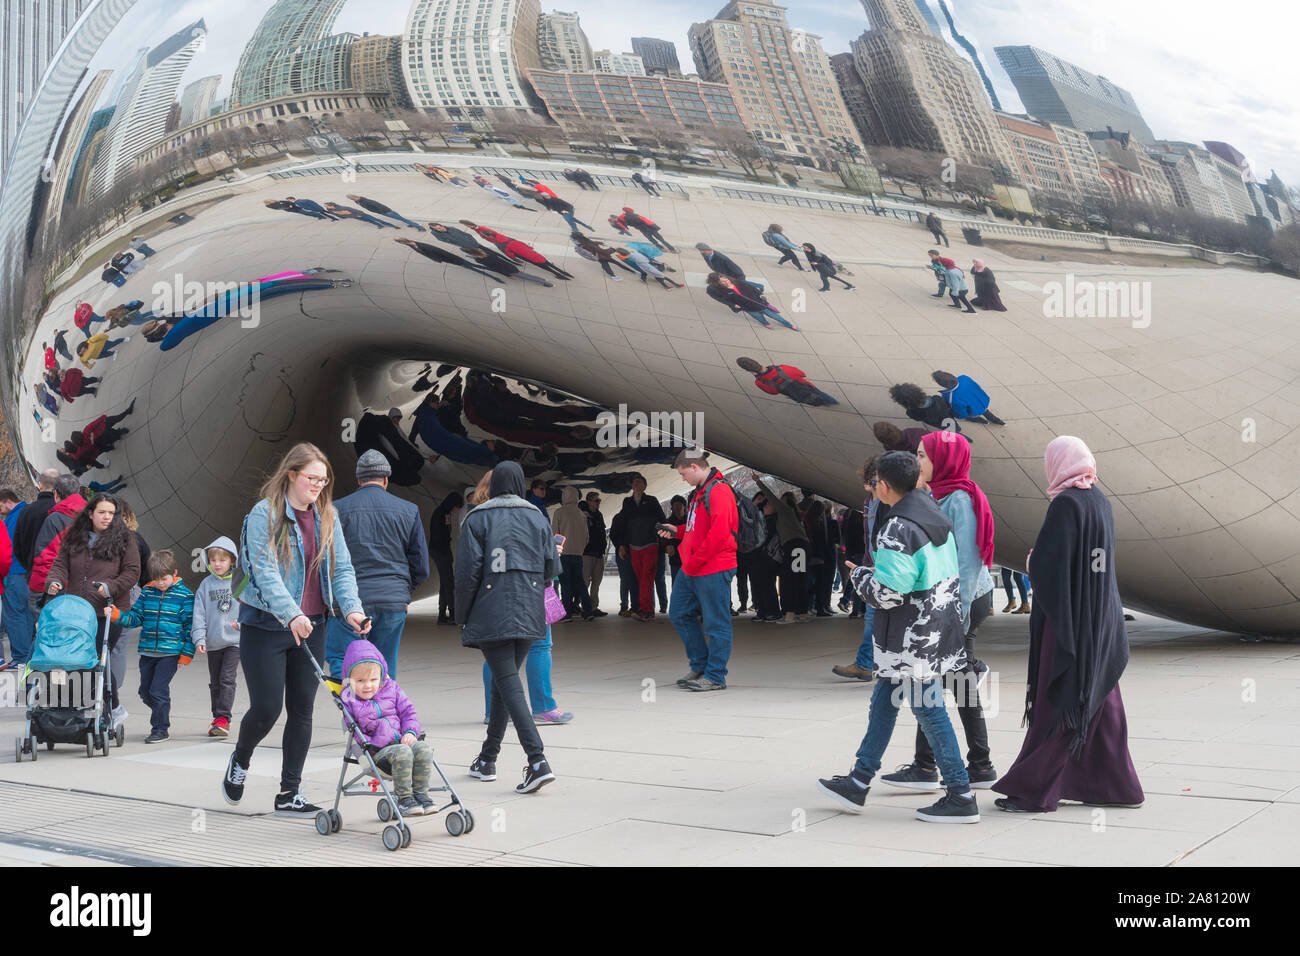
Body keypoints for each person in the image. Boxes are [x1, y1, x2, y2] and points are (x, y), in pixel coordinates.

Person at [815, 452, 979, 823]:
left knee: (929, 711)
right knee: (885, 700)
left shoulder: (897, 527)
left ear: (883, 486)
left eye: (872, 485)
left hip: (908, 637)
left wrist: (859, 577)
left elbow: (888, 593)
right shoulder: (935, 514)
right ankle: (858, 780)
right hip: (935, 629)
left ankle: (960, 794)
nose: (871, 491)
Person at [993, 437, 1144, 813]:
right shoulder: (1100, 501)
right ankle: (1116, 785)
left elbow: (1050, 565)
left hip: (1070, 627)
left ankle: (1034, 791)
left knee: (1061, 702)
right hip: (1101, 622)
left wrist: (1032, 561)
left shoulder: (1065, 504)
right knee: (1100, 702)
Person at [220, 443, 370, 817]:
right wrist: (290, 614)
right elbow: (263, 571)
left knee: (303, 710)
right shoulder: (264, 514)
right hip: (267, 626)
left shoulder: (327, 516)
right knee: (267, 709)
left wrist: (351, 608)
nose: (318, 486)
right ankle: (241, 757)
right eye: (311, 479)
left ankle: (289, 792)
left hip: (313, 624)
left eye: (323, 480)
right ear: (291, 475)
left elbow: (342, 569)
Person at [880, 432, 998, 790]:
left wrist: (955, 616)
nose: (919, 463)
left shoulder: (959, 499)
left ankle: (956, 765)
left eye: (924, 455)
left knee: (944, 678)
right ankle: (963, 764)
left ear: (944, 459)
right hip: (951, 600)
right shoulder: (940, 494)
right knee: (944, 678)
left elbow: (967, 560)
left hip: (961, 600)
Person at [458, 461, 558, 793]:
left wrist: (463, 615)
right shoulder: (537, 516)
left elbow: (468, 572)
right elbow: (550, 568)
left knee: (509, 687)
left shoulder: (477, 517)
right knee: (504, 685)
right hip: (530, 611)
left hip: (492, 608)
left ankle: (537, 759)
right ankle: (487, 759)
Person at [325, 451, 429, 680]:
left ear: (358, 480)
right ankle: (379, 713)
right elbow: (420, 564)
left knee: (342, 661)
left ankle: (351, 711)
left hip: (348, 601)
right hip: (392, 600)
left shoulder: (334, 510)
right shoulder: (409, 510)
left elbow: (324, 558)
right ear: (386, 480)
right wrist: (403, 589)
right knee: (383, 664)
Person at [42, 491, 138, 720]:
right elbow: (60, 564)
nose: (107, 517)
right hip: (76, 612)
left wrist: (111, 587)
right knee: (75, 659)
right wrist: (54, 581)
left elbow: (132, 572)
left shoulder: (125, 539)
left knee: (96, 659)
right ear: (90, 513)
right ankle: (79, 707)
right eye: (102, 512)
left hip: (108, 611)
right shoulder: (74, 536)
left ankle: (112, 708)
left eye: (112, 513)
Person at [662, 451, 738, 691]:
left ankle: (715, 675)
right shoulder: (699, 493)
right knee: (678, 612)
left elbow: (720, 533)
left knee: (716, 622)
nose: (683, 478)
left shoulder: (719, 491)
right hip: (696, 566)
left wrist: (694, 562)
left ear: (694, 467)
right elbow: (699, 528)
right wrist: (678, 530)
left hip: (711, 567)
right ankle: (701, 666)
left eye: (683, 473)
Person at [341, 639, 437, 816]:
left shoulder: (392, 689)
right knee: (402, 752)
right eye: (360, 680)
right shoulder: (350, 699)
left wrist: (410, 732)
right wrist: (370, 746)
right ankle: (404, 799)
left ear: (383, 676)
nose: (368, 685)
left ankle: (421, 795)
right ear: (349, 680)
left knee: (423, 748)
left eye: (373, 679)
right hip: (379, 752)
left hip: (402, 741)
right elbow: (353, 729)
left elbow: (409, 713)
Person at [110, 550, 194, 744]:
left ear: (174, 573)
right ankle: (160, 711)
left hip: (170, 652)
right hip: (148, 650)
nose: (160, 583)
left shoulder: (185, 595)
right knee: (145, 692)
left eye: (164, 579)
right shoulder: (148, 591)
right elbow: (135, 617)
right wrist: (117, 616)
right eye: (156, 579)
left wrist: (186, 654)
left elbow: (190, 627)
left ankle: (160, 728)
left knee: (158, 690)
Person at [834, 459, 885, 680]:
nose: (868, 482)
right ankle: (866, 664)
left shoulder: (888, 502)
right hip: (874, 568)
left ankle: (874, 665)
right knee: (872, 621)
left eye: (872, 477)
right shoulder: (868, 502)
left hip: (888, 570)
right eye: (867, 477)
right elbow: (869, 536)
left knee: (880, 622)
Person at [192, 536, 241, 737]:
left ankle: (223, 718)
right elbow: (199, 612)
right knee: (215, 682)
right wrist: (199, 638)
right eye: (213, 560)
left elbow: (251, 605)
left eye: (222, 560)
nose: (217, 564)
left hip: (234, 641)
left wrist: (244, 624)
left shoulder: (239, 581)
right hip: (213, 642)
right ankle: (217, 719)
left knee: (227, 678)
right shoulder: (206, 584)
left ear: (231, 561)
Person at [751, 475, 810, 623]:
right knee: (800, 579)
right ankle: (802, 612)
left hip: (793, 546)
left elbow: (770, 496)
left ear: (783, 501)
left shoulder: (784, 510)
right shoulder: (794, 515)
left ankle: (789, 613)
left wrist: (759, 482)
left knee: (789, 579)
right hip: (802, 547)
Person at [618, 474, 666, 621]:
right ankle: (644, 608)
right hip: (633, 546)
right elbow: (623, 525)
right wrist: (622, 545)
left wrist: (665, 544)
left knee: (647, 578)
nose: (637, 484)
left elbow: (662, 521)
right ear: (632, 486)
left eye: (640, 482)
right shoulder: (627, 502)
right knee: (640, 579)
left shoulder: (651, 501)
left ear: (645, 486)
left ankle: (646, 610)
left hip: (650, 544)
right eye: (634, 482)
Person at [551, 486, 593, 621]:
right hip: (578, 555)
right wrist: (579, 549)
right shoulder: (582, 514)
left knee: (565, 584)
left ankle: (567, 613)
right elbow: (587, 537)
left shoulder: (559, 512)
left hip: (563, 554)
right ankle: (588, 611)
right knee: (580, 583)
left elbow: (555, 534)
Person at [706, 274, 797, 331]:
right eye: (723, 282)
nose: (726, 282)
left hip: (760, 304)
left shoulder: (738, 282)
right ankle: (766, 323)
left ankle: (789, 325)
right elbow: (725, 300)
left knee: (776, 316)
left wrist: (760, 294)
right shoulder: (723, 291)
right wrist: (733, 305)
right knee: (758, 317)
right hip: (748, 308)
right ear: (719, 284)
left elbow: (753, 288)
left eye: (726, 280)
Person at [736, 357, 837, 406]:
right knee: (821, 394)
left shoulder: (760, 383)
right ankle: (833, 403)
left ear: (749, 371)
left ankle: (822, 404)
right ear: (756, 362)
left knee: (813, 400)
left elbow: (773, 393)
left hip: (795, 394)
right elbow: (802, 373)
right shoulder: (783, 368)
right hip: (806, 386)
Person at [395, 237, 503, 281]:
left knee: (475, 267)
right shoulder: (412, 245)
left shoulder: (422, 246)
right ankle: (496, 273)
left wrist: (456, 261)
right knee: (475, 267)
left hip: (453, 259)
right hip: (451, 260)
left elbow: (441, 252)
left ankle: (496, 276)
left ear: (403, 242)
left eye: (400, 242)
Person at [0, 490, 26, 670]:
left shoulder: (12, 519)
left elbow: (5, 552)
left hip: (13, 572)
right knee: (25, 615)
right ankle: (26, 654)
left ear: (7, 501)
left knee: (14, 615)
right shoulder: (27, 512)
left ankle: (20, 656)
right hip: (26, 572)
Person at [428, 492, 463, 626]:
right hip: (440, 551)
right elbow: (438, 536)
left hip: (443, 550)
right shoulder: (440, 514)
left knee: (445, 582)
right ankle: (452, 612)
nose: (456, 510)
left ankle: (442, 614)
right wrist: (445, 551)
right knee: (449, 582)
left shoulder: (445, 513)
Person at [932, 371, 1005, 426]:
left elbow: (961, 412)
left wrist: (963, 416)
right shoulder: (964, 378)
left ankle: (981, 420)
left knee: (973, 416)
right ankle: (998, 421)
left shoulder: (950, 396)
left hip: (973, 410)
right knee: (986, 412)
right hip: (982, 401)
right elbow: (977, 387)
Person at [889, 383, 962, 432]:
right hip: (947, 417)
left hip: (936, 423)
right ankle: (956, 430)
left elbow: (918, 418)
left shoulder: (911, 412)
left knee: (946, 428)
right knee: (952, 425)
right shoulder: (937, 398)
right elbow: (947, 407)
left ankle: (954, 431)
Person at [581, 491, 608, 616]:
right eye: (596, 500)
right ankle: (584, 606)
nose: (598, 503)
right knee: (585, 581)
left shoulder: (599, 515)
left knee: (597, 582)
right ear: (589, 502)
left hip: (598, 553)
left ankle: (593, 607)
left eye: (599, 500)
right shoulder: (583, 515)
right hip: (587, 553)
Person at [609, 508, 637, 616]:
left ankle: (625, 606)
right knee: (632, 580)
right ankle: (633, 606)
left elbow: (612, 535)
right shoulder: (631, 518)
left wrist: (619, 546)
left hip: (622, 553)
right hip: (631, 552)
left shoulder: (617, 518)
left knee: (625, 581)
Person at [572, 234, 638, 279]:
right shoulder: (587, 244)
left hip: (599, 256)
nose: (585, 235)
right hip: (602, 256)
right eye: (583, 234)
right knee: (610, 265)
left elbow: (594, 243)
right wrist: (613, 249)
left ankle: (615, 275)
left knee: (609, 265)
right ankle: (616, 275)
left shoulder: (583, 243)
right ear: (581, 237)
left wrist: (600, 243)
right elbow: (602, 251)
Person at [696, 243, 760, 288]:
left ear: (708, 249)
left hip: (735, 273)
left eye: (703, 251)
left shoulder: (720, 258)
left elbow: (731, 268)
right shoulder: (705, 254)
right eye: (700, 250)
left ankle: (759, 286)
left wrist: (726, 277)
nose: (701, 252)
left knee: (742, 284)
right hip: (724, 273)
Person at [346, 194, 425, 231]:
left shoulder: (365, 200)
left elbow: (378, 205)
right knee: (401, 219)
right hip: (382, 212)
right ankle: (412, 224)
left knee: (403, 219)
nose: (354, 200)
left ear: (356, 197)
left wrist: (384, 211)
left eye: (354, 199)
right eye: (353, 200)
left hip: (386, 211)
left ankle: (420, 227)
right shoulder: (358, 202)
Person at [616, 247, 682, 289]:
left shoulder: (631, 257)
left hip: (649, 268)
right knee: (662, 278)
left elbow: (644, 266)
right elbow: (646, 264)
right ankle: (671, 285)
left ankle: (671, 285)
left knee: (662, 278)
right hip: (650, 268)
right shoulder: (634, 253)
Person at [324, 201, 398, 229]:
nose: (326, 207)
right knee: (369, 221)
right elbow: (337, 214)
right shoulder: (330, 210)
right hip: (355, 217)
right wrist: (342, 217)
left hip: (361, 214)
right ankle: (380, 225)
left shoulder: (343, 207)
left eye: (326, 206)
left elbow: (355, 210)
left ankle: (393, 226)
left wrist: (359, 215)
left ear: (331, 205)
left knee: (376, 219)